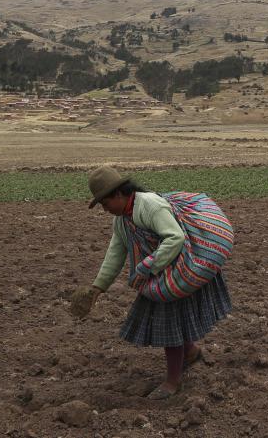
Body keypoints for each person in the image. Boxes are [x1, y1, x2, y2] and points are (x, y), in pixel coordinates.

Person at [69, 165, 233, 399]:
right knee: (175, 320)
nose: (105, 210)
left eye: (105, 204)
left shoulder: (150, 206)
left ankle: (172, 382)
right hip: (159, 271)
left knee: (170, 325)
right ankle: (191, 352)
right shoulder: (122, 220)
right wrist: (98, 287)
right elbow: (115, 253)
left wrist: (147, 266)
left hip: (179, 268)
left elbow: (175, 237)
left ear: (118, 194)